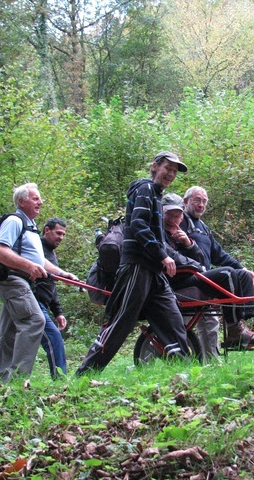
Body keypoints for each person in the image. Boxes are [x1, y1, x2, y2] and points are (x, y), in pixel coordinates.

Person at [77, 152, 191, 373]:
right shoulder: (145, 189)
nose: (171, 174)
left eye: (174, 172)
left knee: (172, 317)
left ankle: (183, 370)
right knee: (121, 320)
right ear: (155, 166)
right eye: (168, 168)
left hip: (154, 270)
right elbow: (138, 224)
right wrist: (163, 255)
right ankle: (85, 373)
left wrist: (160, 258)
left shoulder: (156, 196)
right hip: (137, 266)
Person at [0, 183, 77, 382]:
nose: (41, 202)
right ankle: (18, 380)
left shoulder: (30, 226)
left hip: (22, 281)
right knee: (34, 321)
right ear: (21, 201)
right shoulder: (14, 220)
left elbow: (40, 260)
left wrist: (64, 273)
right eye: (35, 198)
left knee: (7, 331)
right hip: (13, 279)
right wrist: (28, 267)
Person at [180, 186, 254, 352]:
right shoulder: (179, 220)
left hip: (204, 277)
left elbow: (219, 254)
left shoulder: (204, 227)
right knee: (227, 273)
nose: (201, 205)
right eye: (197, 200)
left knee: (241, 274)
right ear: (185, 201)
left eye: (204, 201)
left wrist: (242, 267)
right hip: (188, 277)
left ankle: (241, 325)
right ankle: (235, 329)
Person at [34, 218, 69, 378]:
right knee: (54, 339)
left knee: (9, 341)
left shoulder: (51, 254)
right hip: (31, 301)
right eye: (58, 233)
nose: (61, 237)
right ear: (47, 230)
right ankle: (60, 378)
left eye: (63, 234)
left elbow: (51, 286)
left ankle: (0, 377)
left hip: (42, 304)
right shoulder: (36, 248)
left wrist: (58, 312)